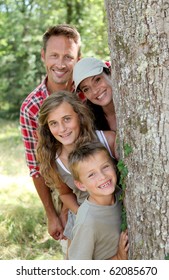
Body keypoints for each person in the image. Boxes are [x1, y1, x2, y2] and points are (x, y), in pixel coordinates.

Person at [19, 24, 81, 248]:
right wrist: (51, 213)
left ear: (79, 58)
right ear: (43, 56)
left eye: (68, 56)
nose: (61, 64)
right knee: (76, 253)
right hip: (62, 188)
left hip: (100, 177)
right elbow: (36, 167)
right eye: (54, 55)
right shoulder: (32, 107)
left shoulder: (88, 87)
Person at [36, 90, 118, 244]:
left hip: (114, 216)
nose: (62, 129)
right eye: (53, 123)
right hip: (84, 222)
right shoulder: (55, 160)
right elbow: (65, 193)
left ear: (79, 116)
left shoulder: (108, 140)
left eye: (67, 119)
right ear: (47, 127)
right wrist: (81, 214)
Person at [68, 141, 128, 260]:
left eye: (105, 167)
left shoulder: (119, 193)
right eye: (91, 175)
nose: (102, 176)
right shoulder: (87, 221)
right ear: (81, 185)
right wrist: (118, 258)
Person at [73, 57, 116, 131]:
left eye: (97, 80)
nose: (95, 91)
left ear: (110, 73)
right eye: (86, 89)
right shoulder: (88, 121)